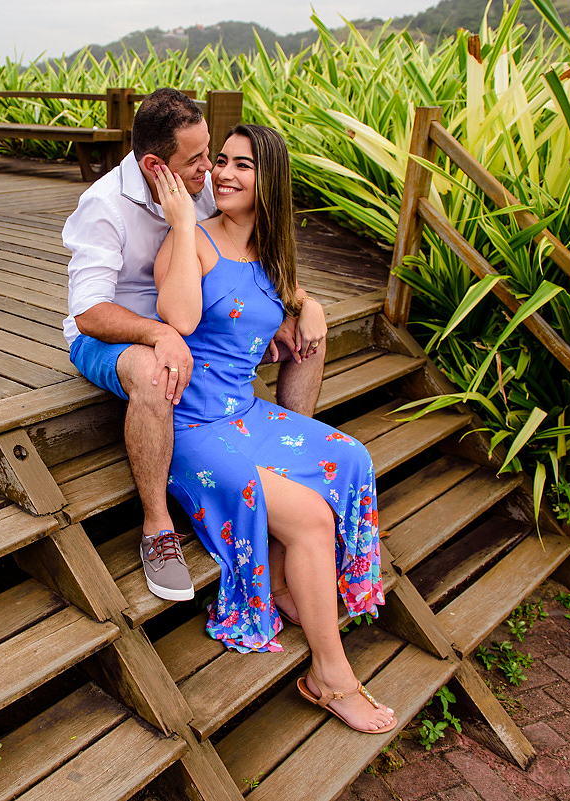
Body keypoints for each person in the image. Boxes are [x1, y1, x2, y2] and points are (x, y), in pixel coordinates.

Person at [151, 123, 396, 734]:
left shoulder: (270, 251)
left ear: (270, 182)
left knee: (352, 455)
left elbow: (280, 292)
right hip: (193, 426)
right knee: (311, 516)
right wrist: (181, 224)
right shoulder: (195, 241)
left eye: (242, 166)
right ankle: (330, 675)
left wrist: (307, 304)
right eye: (221, 163)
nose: (224, 174)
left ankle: (293, 585)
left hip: (248, 413)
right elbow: (177, 316)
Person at [63, 89, 326, 604]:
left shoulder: (200, 185)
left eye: (213, 153)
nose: (212, 168)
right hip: (112, 336)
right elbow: (88, 313)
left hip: (190, 323)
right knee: (151, 369)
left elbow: (237, 253)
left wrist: (295, 302)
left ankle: (287, 454)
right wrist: (160, 333)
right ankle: (158, 527)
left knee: (302, 334)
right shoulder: (104, 206)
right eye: (199, 158)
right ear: (157, 166)